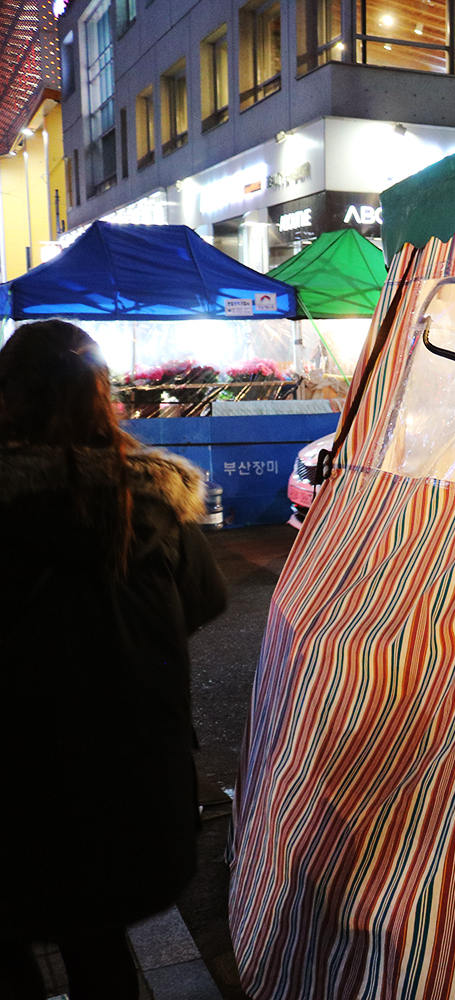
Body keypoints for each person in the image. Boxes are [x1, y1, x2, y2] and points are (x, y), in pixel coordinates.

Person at [0, 321, 227, 999]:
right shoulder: (151, 501)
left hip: (16, 784)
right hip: (127, 785)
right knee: (97, 940)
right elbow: (203, 601)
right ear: (104, 396)